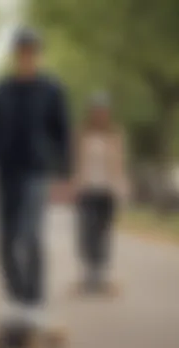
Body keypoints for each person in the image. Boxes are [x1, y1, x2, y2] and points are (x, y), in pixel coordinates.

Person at [0, 28, 72, 348]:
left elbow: (62, 130)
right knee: (4, 241)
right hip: (7, 172)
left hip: (36, 171)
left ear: (38, 54)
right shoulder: (1, 89)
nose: (27, 56)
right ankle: (17, 301)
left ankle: (34, 305)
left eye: (32, 50)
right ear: (15, 54)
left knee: (30, 237)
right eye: (21, 51)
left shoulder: (51, 88)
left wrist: (65, 170)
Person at [73, 92, 129, 295]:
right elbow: (75, 161)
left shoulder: (116, 134)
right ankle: (90, 272)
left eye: (103, 111)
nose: (99, 114)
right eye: (96, 110)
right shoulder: (81, 134)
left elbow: (120, 163)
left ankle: (100, 273)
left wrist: (121, 188)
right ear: (91, 113)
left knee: (104, 232)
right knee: (87, 232)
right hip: (87, 189)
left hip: (107, 190)